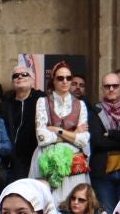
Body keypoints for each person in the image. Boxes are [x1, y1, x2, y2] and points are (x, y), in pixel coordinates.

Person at [35, 63, 92, 202]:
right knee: (47, 202)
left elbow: (83, 139)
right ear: (53, 80)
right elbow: (42, 138)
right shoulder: (43, 102)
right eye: (60, 78)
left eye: (68, 77)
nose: (65, 81)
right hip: (47, 157)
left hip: (73, 159)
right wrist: (72, 134)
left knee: (75, 202)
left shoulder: (80, 104)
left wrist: (58, 130)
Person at [88, 72, 120, 210]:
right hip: (103, 174)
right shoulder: (94, 111)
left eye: (115, 86)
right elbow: (98, 141)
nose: (111, 89)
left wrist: (111, 134)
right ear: (102, 89)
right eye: (107, 86)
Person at [0, 61, 44, 189]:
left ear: (33, 81)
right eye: (15, 76)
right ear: (12, 82)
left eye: (24, 74)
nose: (19, 77)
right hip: (10, 160)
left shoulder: (41, 100)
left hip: (34, 157)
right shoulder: (5, 103)